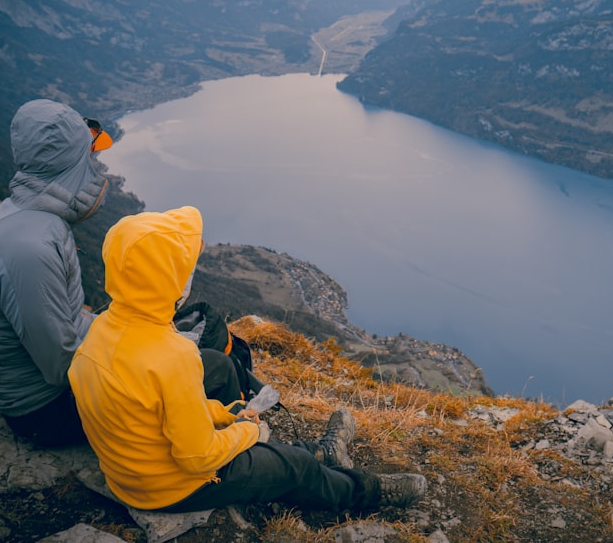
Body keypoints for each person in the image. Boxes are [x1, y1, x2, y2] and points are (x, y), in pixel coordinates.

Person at [68, 206, 427, 514]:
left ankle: (323, 454)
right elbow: (198, 457)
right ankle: (369, 492)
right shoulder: (171, 355)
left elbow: (150, 409)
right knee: (294, 468)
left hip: (130, 477)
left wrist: (226, 414)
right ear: (170, 281)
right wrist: (249, 431)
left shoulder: (100, 332)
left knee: (275, 450)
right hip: (172, 487)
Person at [0, 99, 239, 449]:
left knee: (189, 325)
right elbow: (61, 363)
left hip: (35, 390)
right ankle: (223, 454)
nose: (93, 164)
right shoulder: (29, 247)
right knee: (209, 364)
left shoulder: (18, 220)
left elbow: (62, 325)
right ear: (71, 164)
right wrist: (148, 355)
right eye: (87, 156)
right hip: (45, 410)